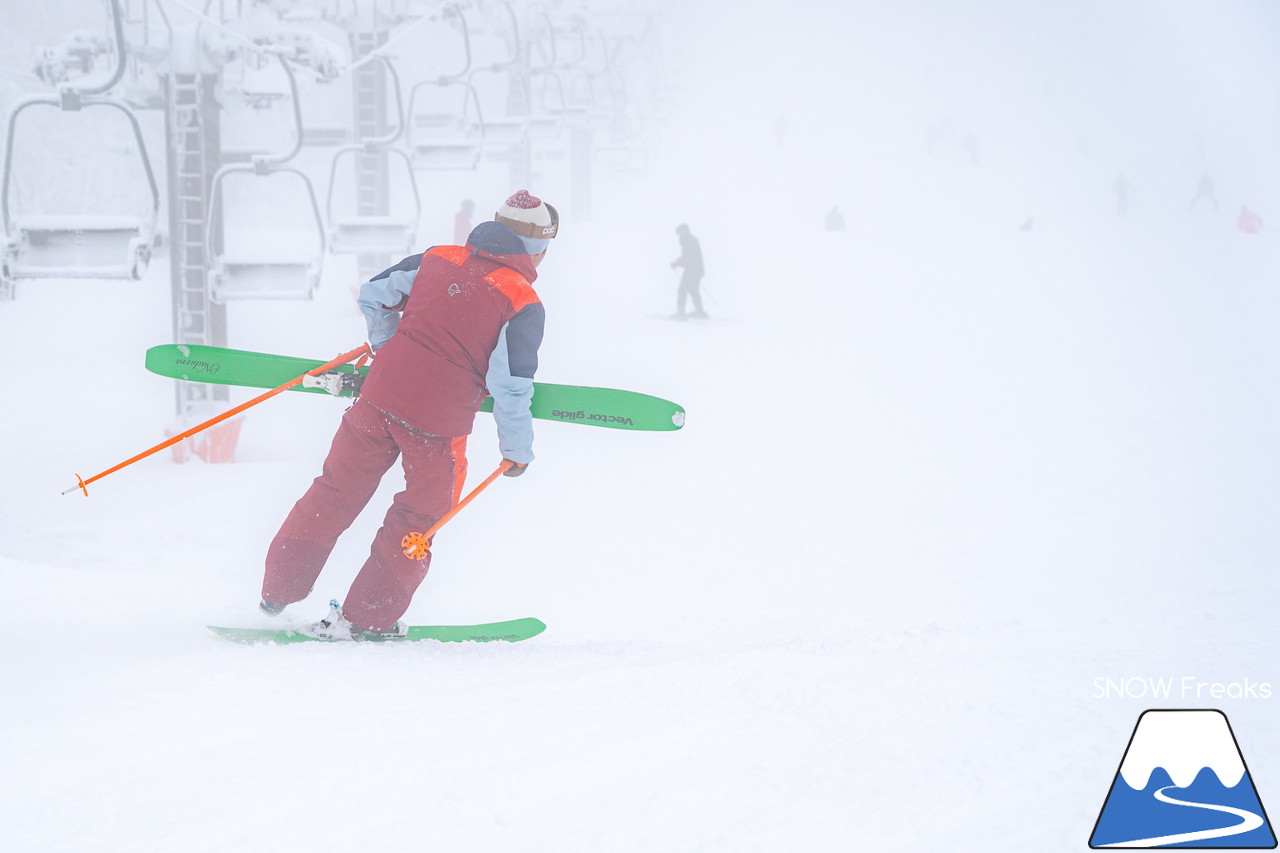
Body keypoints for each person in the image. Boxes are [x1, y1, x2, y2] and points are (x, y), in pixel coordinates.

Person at [259, 189, 558, 639]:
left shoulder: (437, 258)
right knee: (420, 518)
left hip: (377, 400)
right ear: (538, 247)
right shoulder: (521, 300)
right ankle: (368, 618)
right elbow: (510, 385)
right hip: (438, 427)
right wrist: (516, 450)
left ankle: (279, 587)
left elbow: (375, 295)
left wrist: (388, 346)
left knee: (336, 489)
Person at [670, 223, 706, 320]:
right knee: (694, 291)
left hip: (692, 270)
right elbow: (689, 258)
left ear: (683, 231)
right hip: (698, 270)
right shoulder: (691, 240)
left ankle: (681, 313)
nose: (678, 235)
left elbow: (688, 258)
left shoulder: (687, 241)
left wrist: (676, 263)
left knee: (682, 290)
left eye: (678, 233)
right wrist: (678, 262)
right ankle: (700, 312)